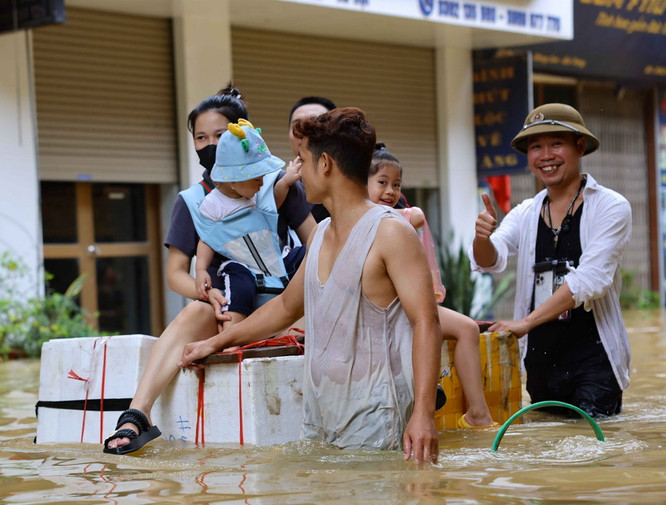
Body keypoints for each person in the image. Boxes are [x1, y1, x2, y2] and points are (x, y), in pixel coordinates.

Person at [181, 108, 441, 463]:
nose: (298, 170)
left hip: (377, 417)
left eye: (302, 159)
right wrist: (214, 343)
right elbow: (287, 307)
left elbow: (426, 322)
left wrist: (423, 415)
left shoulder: (391, 231)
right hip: (320, 415)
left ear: (326, 165)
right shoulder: (320, 235)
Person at [104, 86, 316, 454]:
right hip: (225, 305)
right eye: (200, 137)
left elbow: (315, 241)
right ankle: (137, 414)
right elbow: (176, 274)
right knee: (194, 313)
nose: (209, 144)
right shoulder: (192, 201)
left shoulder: (275, 183)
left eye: (219, 135)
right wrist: (206, 292)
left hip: (284, 301)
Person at [471, 103, 632, 417]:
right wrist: (481, 237)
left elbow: (590, 281)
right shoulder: (526, 212)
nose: (545, 155)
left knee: (592, 451)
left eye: (556, 144)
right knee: (549, 452)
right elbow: (490, 260)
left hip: (595, 361)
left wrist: (526, 322)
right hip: (541, 360)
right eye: (535, 147)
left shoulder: (612, 207)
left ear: (579, 146)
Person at [368, 146, 495, 428]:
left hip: (407, 306)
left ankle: (478, 414)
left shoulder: (401, 217)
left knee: (467, 327)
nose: (390, 191)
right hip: (382, 312)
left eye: (396, 185)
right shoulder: (368, 220)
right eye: (382, 183)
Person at [193, 119, 307, 328]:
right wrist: (201, 271)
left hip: (272, 258)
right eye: (256, 179)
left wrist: (286, 180)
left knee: (308, 253)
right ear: (233, 180)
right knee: (239, 283)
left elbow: (274, 201)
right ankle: (232, 329)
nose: (262, 183)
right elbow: (207, 240)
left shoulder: (252, 192)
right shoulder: (213, 204)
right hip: (240, 262)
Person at [288, 96, 337, 223]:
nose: (303, 133)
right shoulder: (280, 187)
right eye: (296, 126)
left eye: (314, 124)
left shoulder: (369, 184)